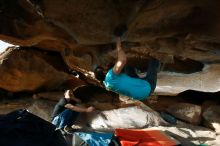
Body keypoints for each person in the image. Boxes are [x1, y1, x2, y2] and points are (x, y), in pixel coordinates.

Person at [94, 37, 159, 100]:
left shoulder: (107, 85)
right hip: (148, 87)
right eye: (103, 67)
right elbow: (122, 60)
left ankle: (141, 69)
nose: (105, 66)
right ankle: (157, 60)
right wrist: (119, 48)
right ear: (104, 72)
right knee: (152, 62)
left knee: (127, 67)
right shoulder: (110, 76)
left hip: (139, 95)